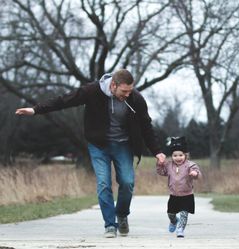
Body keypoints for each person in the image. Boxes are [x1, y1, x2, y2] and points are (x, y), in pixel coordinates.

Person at [16, 69, 166, 238]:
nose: (127, 94)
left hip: (123, 145)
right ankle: (110, 225)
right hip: (98, 145)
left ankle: (122, 214)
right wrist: (36, 110)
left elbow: (146, 126)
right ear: (113, 85)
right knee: (103, 184)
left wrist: (157, 152)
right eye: (124, 91)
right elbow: (64, 100)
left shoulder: (135, 98)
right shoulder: (92, 91)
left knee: (127, 182)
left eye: (130, 90)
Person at [156, 136, 201, 238]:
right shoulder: (168, 165)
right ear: (171, 156)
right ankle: (174, 221)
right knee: (170, 213)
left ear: (185, 155)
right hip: (174, 195)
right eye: (175, 155)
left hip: (187, 195)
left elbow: (198, 173)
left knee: (184, 214)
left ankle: (180, 229)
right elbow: (161, 172)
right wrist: (159, 165)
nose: (178, 158)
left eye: (180, 155)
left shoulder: (190, 165)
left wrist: (195, 173)